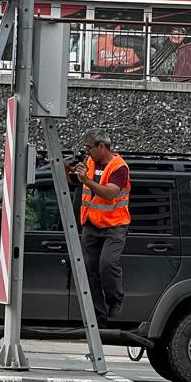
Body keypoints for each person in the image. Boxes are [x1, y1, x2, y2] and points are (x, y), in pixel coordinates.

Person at [73, 130, 130, 322]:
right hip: (91, 224)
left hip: (114, 226)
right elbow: (78, 183)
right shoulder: (90, 162)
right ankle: (99, 316)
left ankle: (115, 301)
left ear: (102, 146)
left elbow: (110, 194)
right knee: (89, 269)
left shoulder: (119, 167)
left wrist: (87, 180)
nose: (87, 152)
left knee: (107, 264)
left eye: (90, 147)